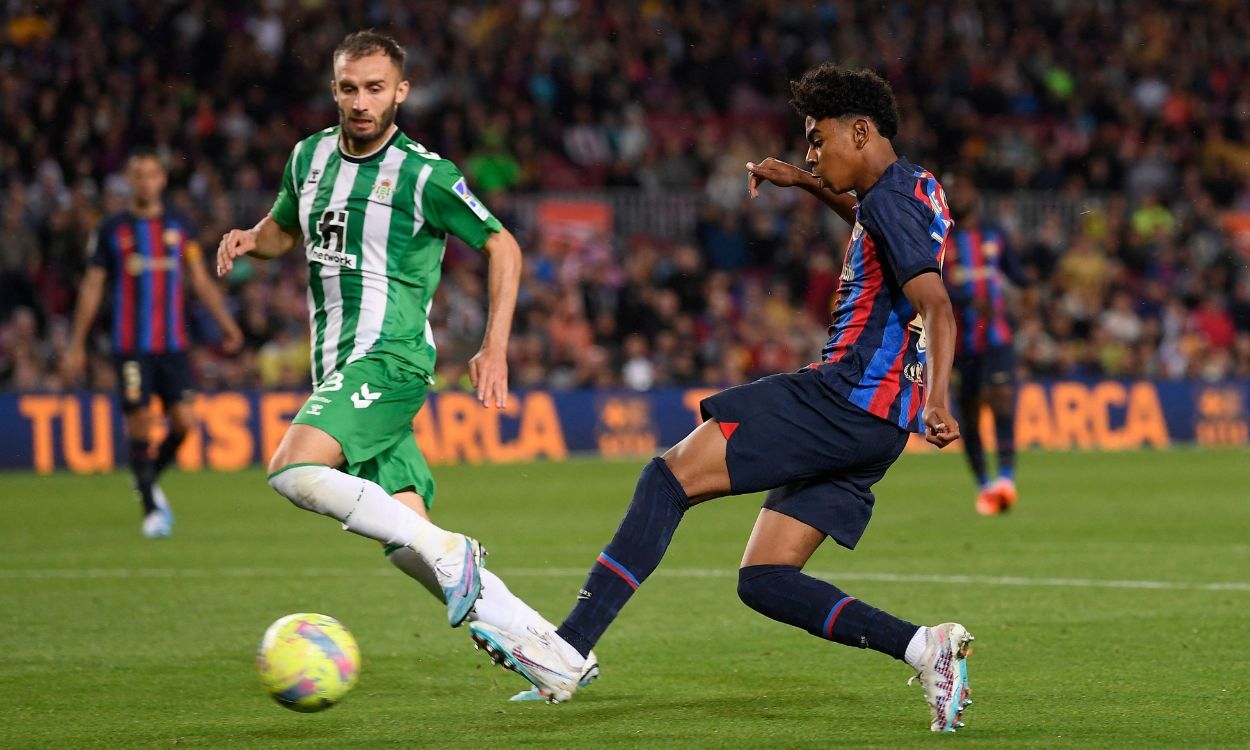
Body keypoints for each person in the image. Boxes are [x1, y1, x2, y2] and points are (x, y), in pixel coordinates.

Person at [470, 64, 975, 733]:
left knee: (667, 476)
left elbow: (937, 306)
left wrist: (940, 398)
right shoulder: (916, 189)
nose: (811, 153)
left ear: (861, 131)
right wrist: (808, 187)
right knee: (764, 578)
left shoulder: (887, 200)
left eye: (818, 140)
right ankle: (924, 647)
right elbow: (878, 225)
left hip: (845, 397)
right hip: (878, 424)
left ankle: (568, 648)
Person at [213, 31, 596, 696]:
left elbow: (502, 247)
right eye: (350, 88)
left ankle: (458, 554)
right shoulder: (307, 158)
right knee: (408, 541)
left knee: (293, 469)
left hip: (387, 359)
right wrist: (252, 239)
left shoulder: (424, 173)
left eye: (376, 88)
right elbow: (287, 227)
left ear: (401, 92)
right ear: (335, 90)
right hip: (337, 367)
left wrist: (494, 344)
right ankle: (557, 661)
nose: (362, 102)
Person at [64, 148, 243, 538]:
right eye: (138, 174)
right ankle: (150, 510)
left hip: (173, 344)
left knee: (185, 423)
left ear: (162, 179)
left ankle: (145, 479)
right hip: (131, 344)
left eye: (152, 174)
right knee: (142, 422)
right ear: (130, 180)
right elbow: (93, 285)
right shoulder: (113, 229)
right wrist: (76, 343)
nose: (145, 181)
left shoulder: (180, 225)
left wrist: (227, 324)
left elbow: (198, 278)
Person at [941, 168, 1027, 515]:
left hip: (997, 336)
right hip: (959, 342)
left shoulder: (994, 233)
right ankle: (983, 485)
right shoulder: (941, 238)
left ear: (973, 191)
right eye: (951, 192)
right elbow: (935, 284)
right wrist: (964, 301)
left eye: (961, 189)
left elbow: (1017, 275)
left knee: (1003, 398)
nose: (957, 197)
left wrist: (1026, 300)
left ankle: (1006, 477)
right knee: (971, 416)